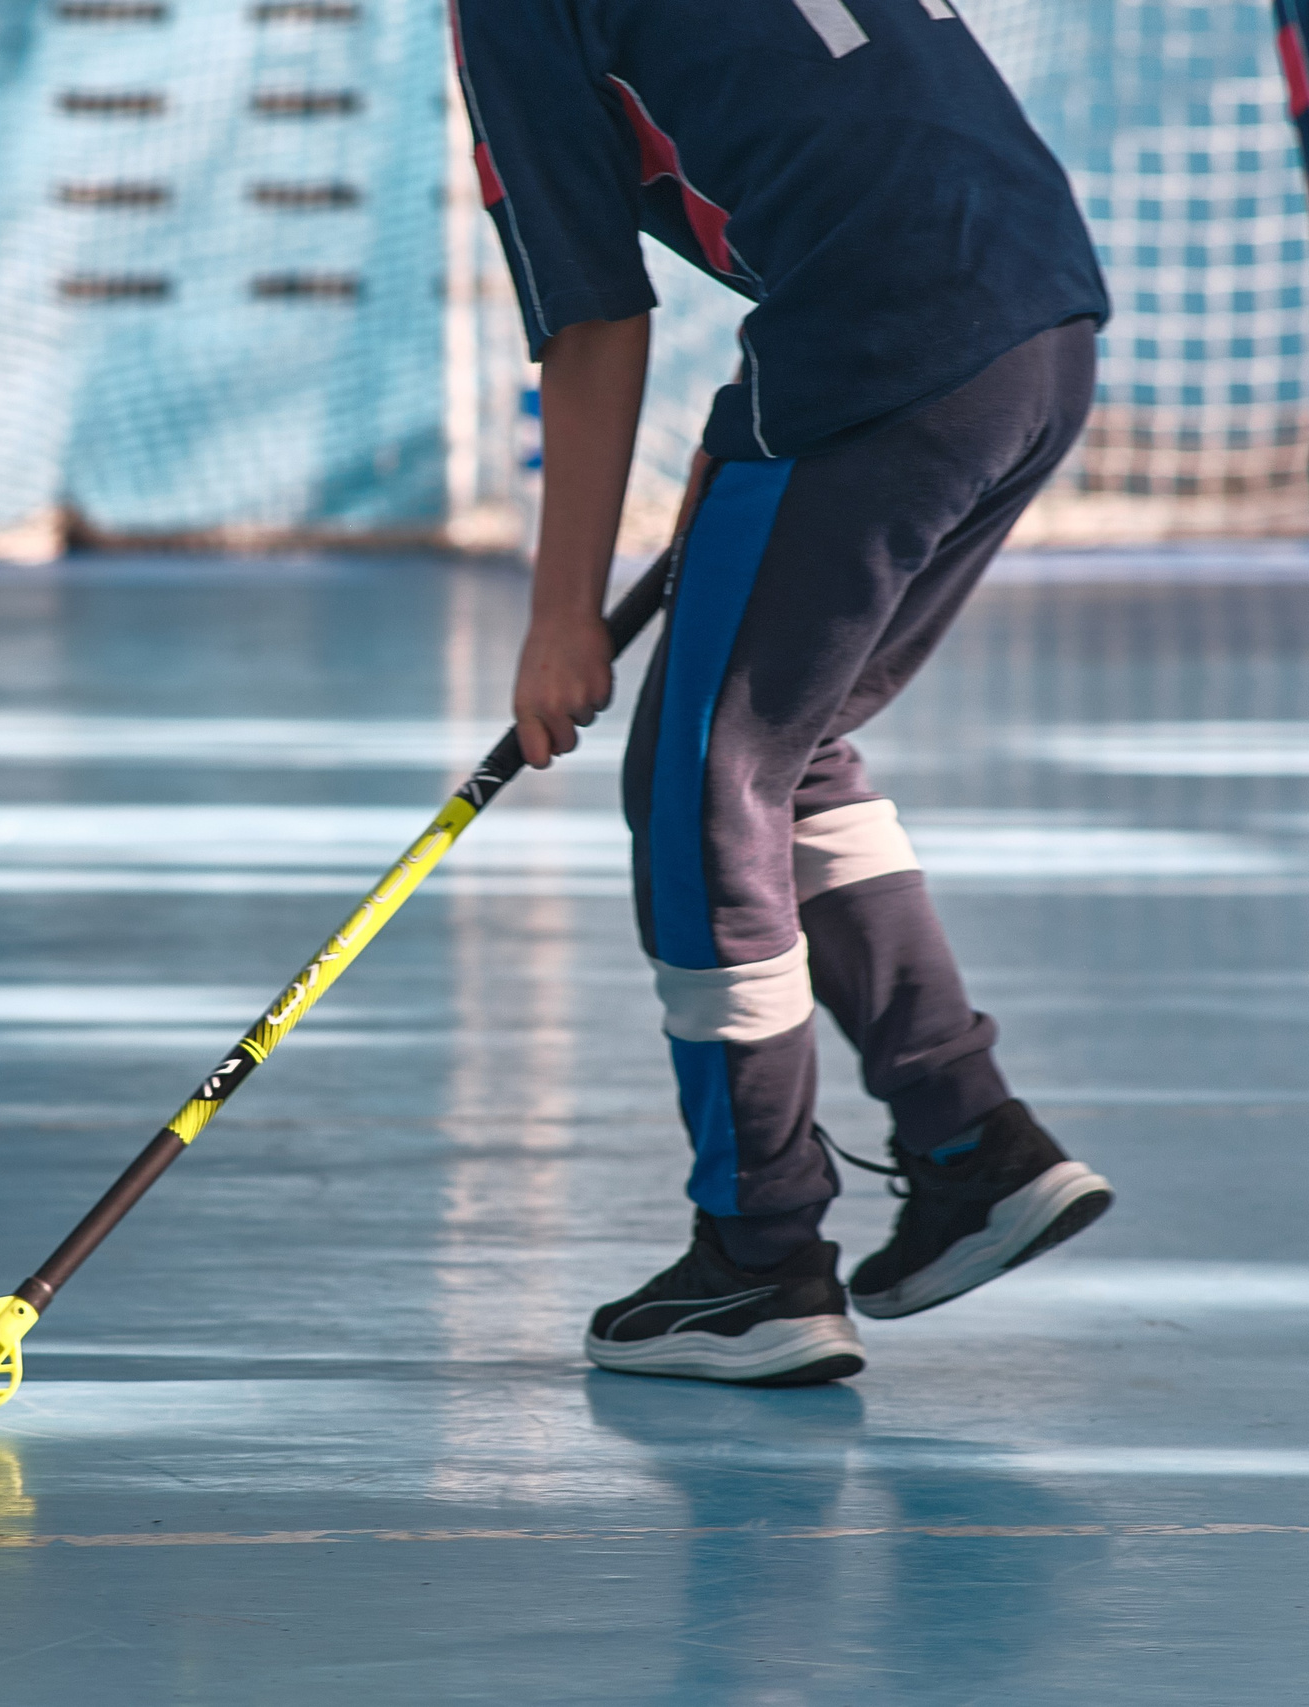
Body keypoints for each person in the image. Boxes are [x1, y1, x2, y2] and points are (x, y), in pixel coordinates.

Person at [454, 0, 1116, 1384]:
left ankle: (757, 1255)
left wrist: (561, 614)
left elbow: (590, 311)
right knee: (789, 748)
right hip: (1035, 325)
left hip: (884, 341)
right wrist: (745, 446)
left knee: (707, 781)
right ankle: (965, 1141)